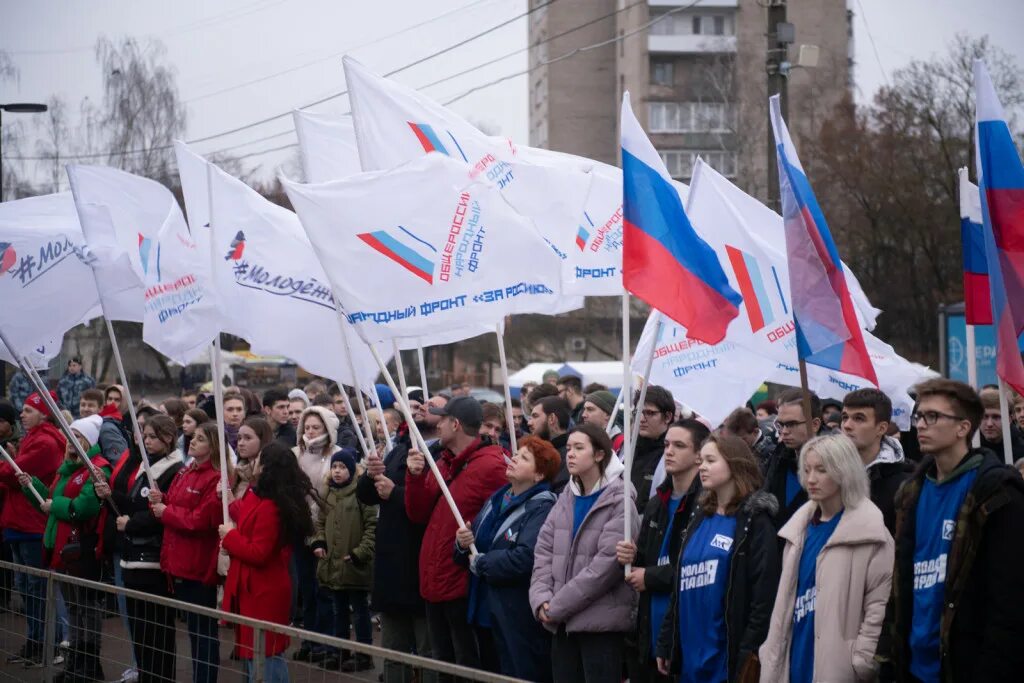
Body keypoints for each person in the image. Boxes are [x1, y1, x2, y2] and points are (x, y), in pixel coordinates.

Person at [882, 379, 1024, 681]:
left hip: (968, 666)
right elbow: (900, 585)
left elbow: (1009, 601)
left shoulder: (998, 493)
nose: (921, 424)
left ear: (963, 427)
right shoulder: (910, 493)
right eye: (919, 416)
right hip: (915, 666)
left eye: (933, 416)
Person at [759, 434, 894, 682]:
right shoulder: (796, 531)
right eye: (807, 469)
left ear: (845, 471)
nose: (811, 479)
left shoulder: (871, 533)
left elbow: (878, 605)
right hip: (794, 659)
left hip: (838, 666)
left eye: (822, 470)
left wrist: (862, 659)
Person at [655, 433, 780, 682]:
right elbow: (679, 586)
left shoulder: (754, 521)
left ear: (735, 465)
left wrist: (747, 654)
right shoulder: (700, 515)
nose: (702, 467)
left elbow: (763, 599)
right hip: (690, 654)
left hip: (725, 658)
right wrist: (667, 641)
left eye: (711, 461)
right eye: (701, 460)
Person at [405, 396, 508, 674]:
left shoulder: (492, 466)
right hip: (435, 578)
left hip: (463, 584)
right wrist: (415, 476)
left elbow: (504, 524)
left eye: (442, 419)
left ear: (456, 424)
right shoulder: (443, 461)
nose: (437, 425)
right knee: (444, 663)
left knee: (467, 664)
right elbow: (417, 513)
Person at [529, 423, 637, 682]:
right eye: (568, 448)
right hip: (561, 623)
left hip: (599, 626)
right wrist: (541, 598)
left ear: (599, 455)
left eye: (579, 448)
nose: (570, 454)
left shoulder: (620, 501)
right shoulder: (566, 496)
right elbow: (543, 551)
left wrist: (557, 606)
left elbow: (605, 568)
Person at [454, 436, 561, 681]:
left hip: (515, 614)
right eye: (516, 454)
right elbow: (475, 546)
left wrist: (483, 563)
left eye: (524, 458)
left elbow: (525, 557)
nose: (513, 458)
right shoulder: (497, 498)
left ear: (539, 475)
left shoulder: (542, 508)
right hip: (483, 608)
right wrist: (461, 544)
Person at [17, 414, 112, 683]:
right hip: (63, 548)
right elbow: (48, 501)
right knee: (73, 608)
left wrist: (54, 506)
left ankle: (89, 666)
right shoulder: (66, 468)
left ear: (88, 441)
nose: (71, 442)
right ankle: (75, 664)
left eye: (77, 437)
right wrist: (31, 487)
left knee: (87, 608)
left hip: (83, 549)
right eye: (69, 436)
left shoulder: (97, 469)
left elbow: (84, 507)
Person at [616, 419, 710, 683]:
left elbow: (697, 569)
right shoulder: (658, 501)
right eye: (667, 444)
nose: (668, 451)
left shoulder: (707, 505)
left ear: (699, 455)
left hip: (683, 630)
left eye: (679, 446)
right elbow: (647, 557)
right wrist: (631, 556)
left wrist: (649, 577)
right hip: (649, 627)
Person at [220, 442, 316, 683]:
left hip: (263, 591)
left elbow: (258, 552)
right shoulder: (261, 496)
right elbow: (249, 519)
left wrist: (230, 537)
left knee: (265, 655)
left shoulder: (272, 506)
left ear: (266, 467)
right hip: (253, 589)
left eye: (259, 459)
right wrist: (230, 502)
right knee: (256, 655)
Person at [99, 413, 185, 683]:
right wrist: (110, 496)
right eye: (144, 436)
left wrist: (131, 524)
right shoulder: (146, 466)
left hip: (153, 559)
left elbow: (162, 514)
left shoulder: (173, 470)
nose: (145, 441)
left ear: (168, 438)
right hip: (133, 557)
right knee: (140, 630)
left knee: (156, 631)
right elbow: (135, 503)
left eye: (152, 437)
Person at [358, 405, 435, 683]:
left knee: (428, 654)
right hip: (392, 565)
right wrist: (370, 476)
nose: (421, 409)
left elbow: (437, 503)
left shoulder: (441, 454)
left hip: (422, 565)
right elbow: (368, 496)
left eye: (429, 406)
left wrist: (396, 493)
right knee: (393, 651)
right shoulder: (400, 448)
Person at [151, 421, 227, 683]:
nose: (192, 441)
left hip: (198, 564)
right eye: (193, 437)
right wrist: (160, 501)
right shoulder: (186, 470)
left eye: (200, 438)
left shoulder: (216, 477)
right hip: (178, 560)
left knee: (203, 632)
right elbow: (174, 504)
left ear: (213, 446)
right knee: (194, 630)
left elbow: (201, 520)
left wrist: (166, 511)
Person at [0, 391, 64, 666]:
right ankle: (35, 640)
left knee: (37, 589)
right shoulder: (33, 438)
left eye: (28, 410)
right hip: (19, 522)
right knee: (26, 588)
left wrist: (7, 466)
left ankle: (48, 644)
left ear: (44, 413)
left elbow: (12, 474)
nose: (22, 415)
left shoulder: (45, 442)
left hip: (31, 524)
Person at [311, 449, 377, 671]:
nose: (337, 471)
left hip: (354, 562)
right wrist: (319, 542)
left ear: (352, 470)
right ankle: (339, 651)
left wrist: (360, 553)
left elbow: (372, 527)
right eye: (334, 467)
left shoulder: (362, 493)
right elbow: (320, 522)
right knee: (338, 609)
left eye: (342, 467)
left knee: (359, 611)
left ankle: (364, 654)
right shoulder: (328, 493)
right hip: (333, 563)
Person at [290, 405, 342, 661]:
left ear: (328, 429)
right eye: (307, 427)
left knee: (324, 590)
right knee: (307, 588)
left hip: (326, 530)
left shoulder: (338, 455)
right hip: (300, 529)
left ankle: (326, 642)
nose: (310, 431)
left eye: (316, 427)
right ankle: (309, 640)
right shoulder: (295, 455)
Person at [841, 388, 913, 535]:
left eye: (859, 418)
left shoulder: (904, 484)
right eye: (844, 417)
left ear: (881, 428)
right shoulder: (828, 472)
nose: (847, 425)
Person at [762, 388, 823, 528]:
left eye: (791, 424)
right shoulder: (777, 456)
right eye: (780, 425)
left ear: (815, 424)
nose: (784, 431)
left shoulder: (833, 466)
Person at [632, 385, 676, 511]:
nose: (641, 419)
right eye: (638, 412)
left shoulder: (672, 454)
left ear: (667, 417)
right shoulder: (627, 449)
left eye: (649, 413)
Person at [528, 396, 570, 492]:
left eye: (535, 416)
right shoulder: (540, 452)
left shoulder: (568, 458)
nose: (529, 423)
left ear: (551, 419)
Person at [78, 388, 129, 464]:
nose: (86, 409)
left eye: (90, 405)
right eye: (83, 405)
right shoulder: (81, 427)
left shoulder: (106, 429)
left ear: (100, 408)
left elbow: (119, 462)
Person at [979, 387, 1024, 461]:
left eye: (996, 417)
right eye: (984, 417)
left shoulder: (1021, 450)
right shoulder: (968, 448)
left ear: (1009, 419)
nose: (989, 424)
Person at [233, 417, 273, 500]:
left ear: (263, 440)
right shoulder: (238, 472)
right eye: (239, 438)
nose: (241, 443)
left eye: (248, 438)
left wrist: (231, 501)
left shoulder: (269, 476)